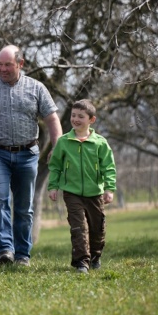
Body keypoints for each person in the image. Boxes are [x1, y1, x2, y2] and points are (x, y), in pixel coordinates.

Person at [0, 45, 62, 267]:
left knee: (24, 207)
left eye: (8, 65)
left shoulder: (36, 88)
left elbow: (52, 119)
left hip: (28, 154)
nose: (2, 69)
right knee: (0, 199)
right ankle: (5, 250)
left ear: (20, 64)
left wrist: (56, 147)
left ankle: (22, 255)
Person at [47, 99, 116, 274]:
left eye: (81, 116)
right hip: (72, 192)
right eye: (73, 115)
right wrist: (53, 186)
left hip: (95, 193)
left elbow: (109, 167)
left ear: (91, 120)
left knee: (97, 227)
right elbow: (55, 166)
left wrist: (109, 188)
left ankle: (95, 257)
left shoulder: (100, 143)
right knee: (79, 227)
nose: (76, 119)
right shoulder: (64, 142)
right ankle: (81, 263)